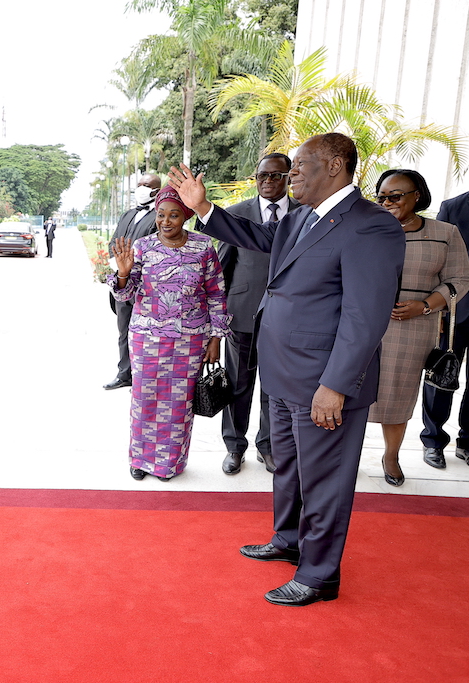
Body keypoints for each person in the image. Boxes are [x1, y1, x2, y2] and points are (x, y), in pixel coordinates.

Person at [168, 132, 405, 606]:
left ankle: (319, 575)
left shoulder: (370, 225)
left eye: (299, 164)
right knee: (290, 468)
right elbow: (257, 237)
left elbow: (366, 315)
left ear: (335, 165)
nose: (289, 173)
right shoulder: (301, 218)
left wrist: (336, 385)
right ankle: (289, 539)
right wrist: (205, 210)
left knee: (324, 478)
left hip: (323, 381)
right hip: (281, 371)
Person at [108, 186, 230, 481]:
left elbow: (217, 294)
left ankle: (169, 464)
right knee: (144, 398)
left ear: (185, 216)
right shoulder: (143, 247)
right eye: (161, 215)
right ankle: (140, 459)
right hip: (146, 339)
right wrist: (123, 273)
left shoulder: (203, 247)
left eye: (173, 215)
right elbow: (125, 294)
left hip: (190, 341)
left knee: (178, 402)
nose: (165, 221)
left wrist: (216, 339)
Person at [369, 170, 469, 486]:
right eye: (382, 197)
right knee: (351, 391)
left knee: (397, 396)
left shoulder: (445, 233)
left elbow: (460, 279)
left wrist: (425, 305)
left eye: (395, 196)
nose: (388, 202)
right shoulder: (366, 229)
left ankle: (391, 456)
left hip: (412, 328)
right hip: (363, 325)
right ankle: (344, 457)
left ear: (417, 195)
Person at [219, 154, 299, 475]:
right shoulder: (236, 215)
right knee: (238, 385)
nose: (267, 181)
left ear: (289, 177)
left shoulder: (304, 216)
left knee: (274, 387)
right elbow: (222, 269)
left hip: (287, 321)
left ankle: (268, 446)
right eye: (261, 176)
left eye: (275, 176)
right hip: (242, 316)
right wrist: (218, 318)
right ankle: (234, 446)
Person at [421, 151, 469, 473]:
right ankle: (433, 441)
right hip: (457, 310)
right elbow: (441, 262)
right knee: (442, 375)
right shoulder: (454, 207)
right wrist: (439, 307)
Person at [104, 172, 163, 390]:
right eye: (139, 184)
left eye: (146, 185)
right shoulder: (128, 214)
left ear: (156, 190)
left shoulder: (160, 216)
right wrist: (117, 267)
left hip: (145, 287)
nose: (141, 188)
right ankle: (124, 374)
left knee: (146, 334)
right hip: (121, 283)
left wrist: (133, 268)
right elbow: (114, 242)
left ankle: (144, 376)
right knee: (123, 330)